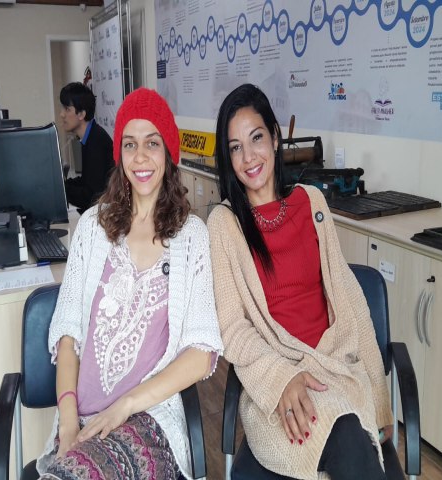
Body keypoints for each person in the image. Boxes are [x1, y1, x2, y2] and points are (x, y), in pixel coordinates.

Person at [208, 83, 393, 480]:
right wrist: (281, 378)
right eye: (235, 147)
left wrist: (380, 402)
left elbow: (349, 299)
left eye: (256, 138)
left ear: (275, 138)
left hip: (336, 367)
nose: (248, 156)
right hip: (276, 384)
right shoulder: (224, 224)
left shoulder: (312, 202)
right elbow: (232, 329)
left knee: (351, 433)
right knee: (347, 435)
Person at [37, 87, 223, 479]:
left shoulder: (191, 236)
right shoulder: (92, 226)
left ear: (168, 152)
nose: (140, 157)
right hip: (81, 417)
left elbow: (201, 352)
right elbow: (68, 334)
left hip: (148, 419)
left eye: (152, 143)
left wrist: (124, 406)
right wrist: (67, 423)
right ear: (119, 154)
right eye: (130, 144)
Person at [60, 82, 115, 214]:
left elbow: (92, 196)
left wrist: (62, 189)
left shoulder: (96, 141)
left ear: (81, 114)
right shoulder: (90, 136)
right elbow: (87, 181)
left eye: (67, 109)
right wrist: (62, 185)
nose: (62, 114)